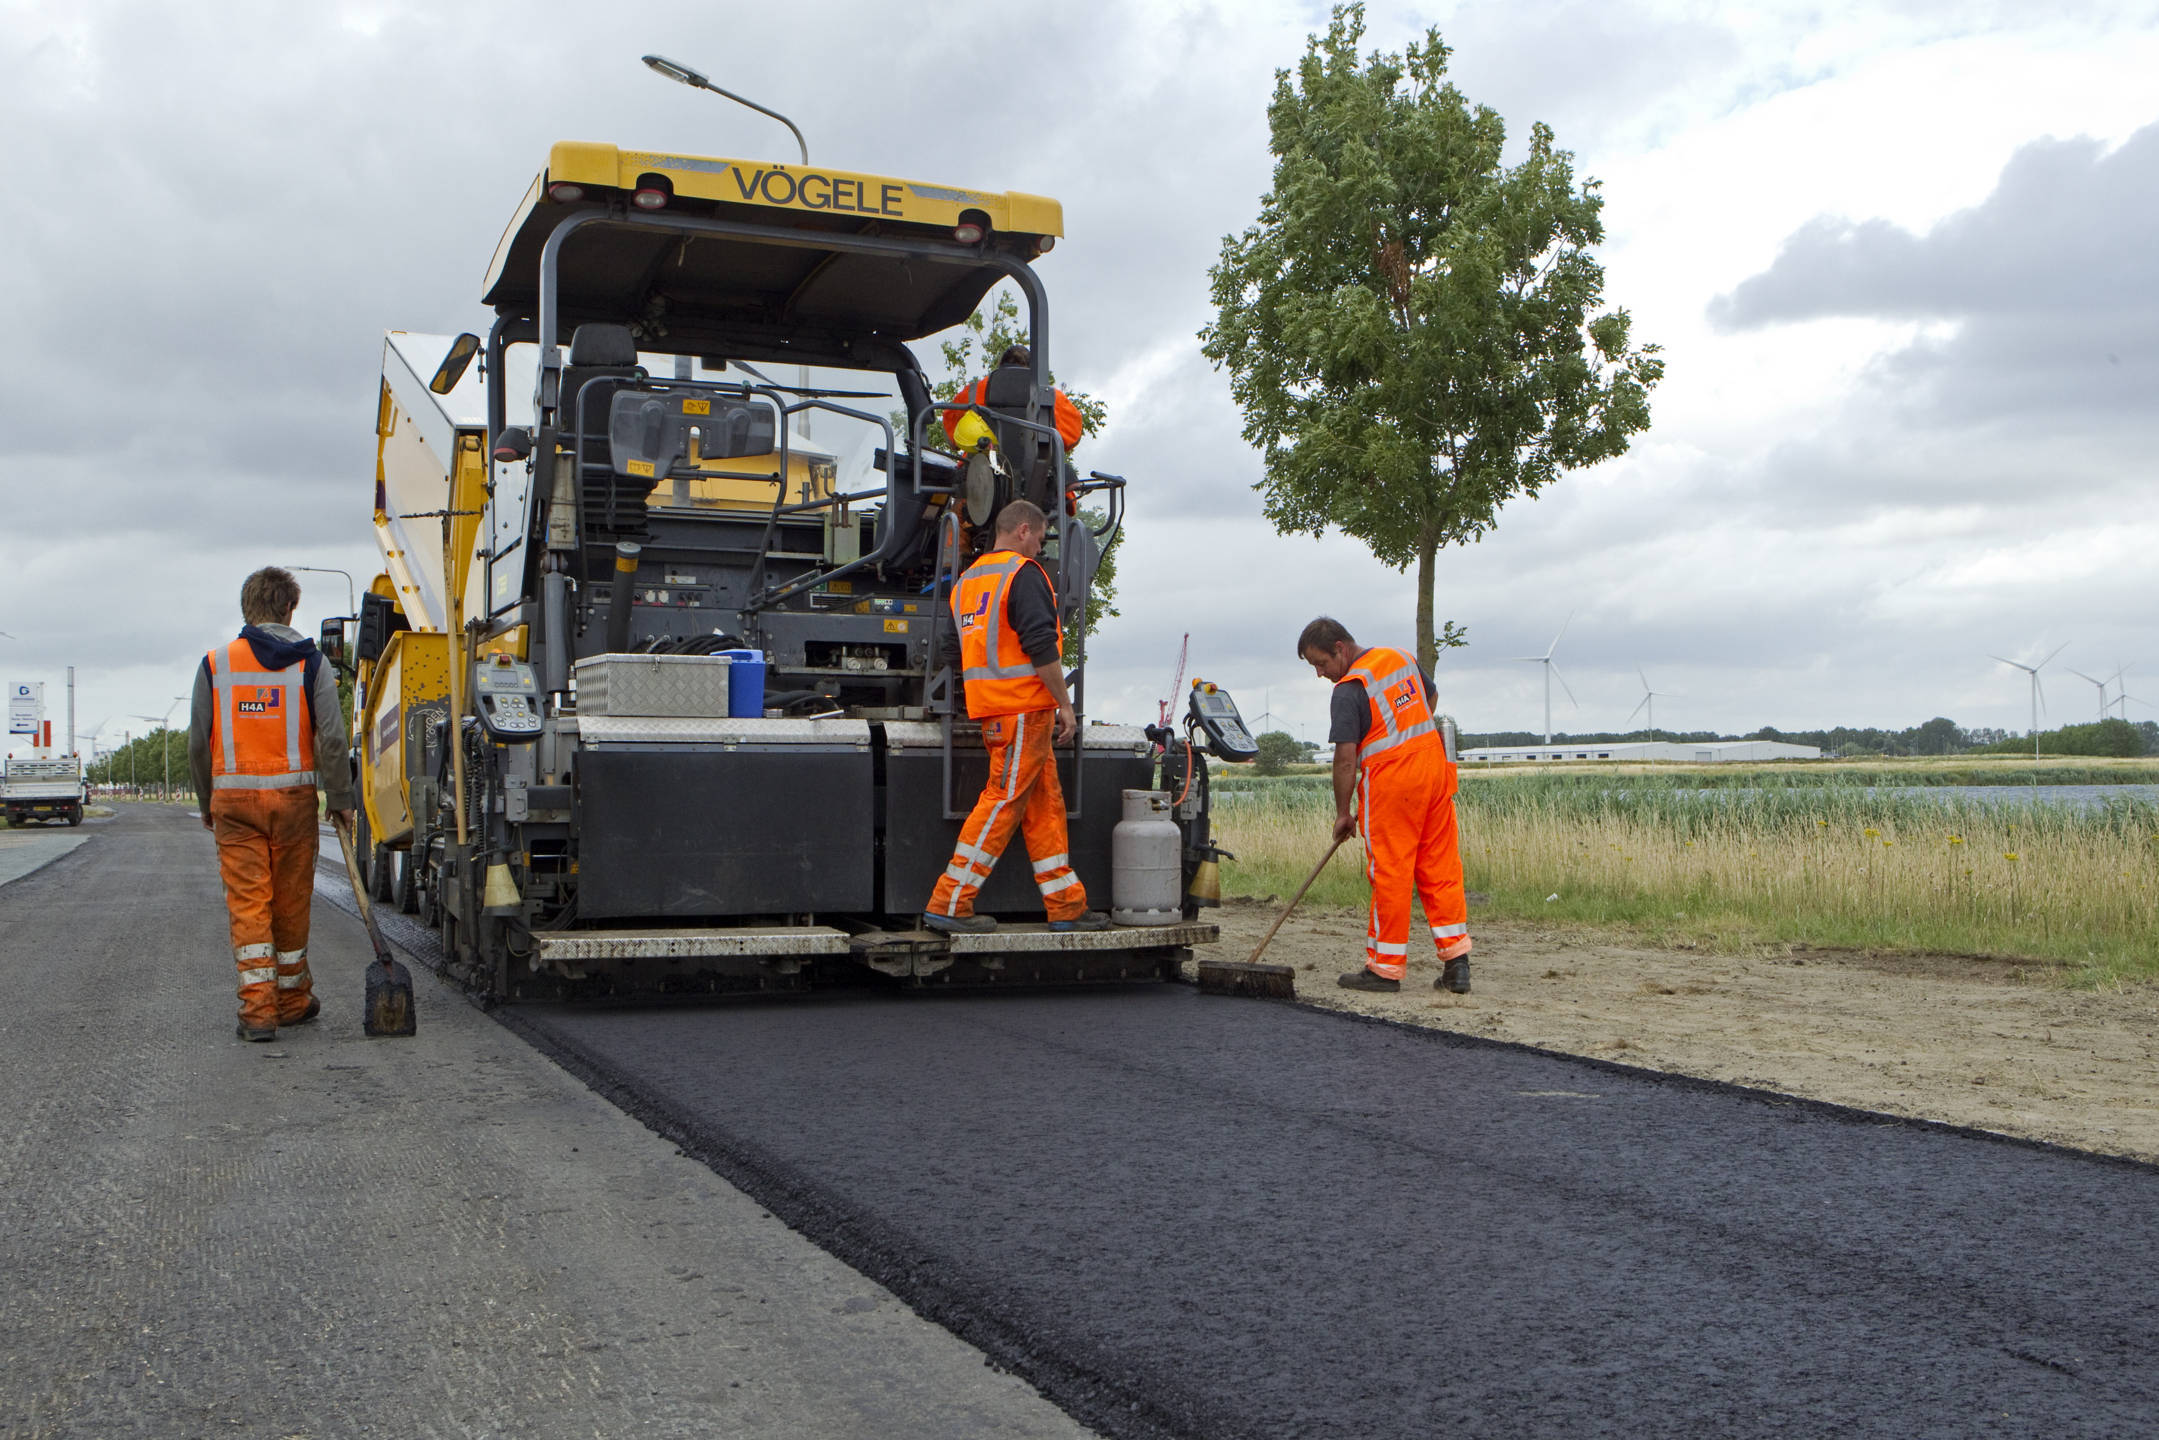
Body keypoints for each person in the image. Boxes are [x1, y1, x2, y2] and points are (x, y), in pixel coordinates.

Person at [923, 500, 1109, 935]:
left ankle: (1066, 906)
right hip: (1025, 709)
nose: (1040, 548)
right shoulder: (1023, 574)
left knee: (1044, 805)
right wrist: (1065, 704)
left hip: (995, 710)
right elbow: (1041, 646)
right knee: (1003, 801)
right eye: (1040, 539)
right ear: (1023, 530)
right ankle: (950, 901)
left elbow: (951, 650)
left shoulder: (967, 581)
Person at [188, 566, 355, 1041]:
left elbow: (198, 743)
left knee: (249, 903)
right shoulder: (312, 664)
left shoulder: (215, 664)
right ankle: (293, 1000)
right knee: (290, 902)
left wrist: (207, 801)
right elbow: (333, 738)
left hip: (235, 806)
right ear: (289, 608)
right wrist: (340, 798)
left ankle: (259, 1012)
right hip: (294, 804)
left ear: (248, 608)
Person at [1297, 617, 1471, 995]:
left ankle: (1385, 970)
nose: (1320, 673)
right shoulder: (1400, 658)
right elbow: (1430, 698)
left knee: (1391, 873)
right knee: (1440, 868)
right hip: (1434, 771)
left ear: (1340, 648)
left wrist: (1343, 813)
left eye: (1321, 663)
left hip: (1393, 783)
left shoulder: (1349, 689)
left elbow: (1346, 759)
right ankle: (1457, 964)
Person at [940, 344, 1084, 455]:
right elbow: (1072, 438)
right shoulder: (1051, 396)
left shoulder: (973, 391)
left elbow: (952, 439)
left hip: (981, 477)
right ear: (1032, 369)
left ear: (1000, 366)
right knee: (1067, 475)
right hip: (1039, 480)